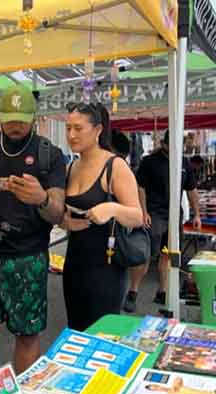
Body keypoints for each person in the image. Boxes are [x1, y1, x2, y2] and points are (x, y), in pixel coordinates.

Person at [0, 85, 66, 380]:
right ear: (0, 116)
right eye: (10, 118)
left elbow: (58, 212)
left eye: (22, 118)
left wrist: (41, 198)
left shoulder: (50, 155)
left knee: (27, 336)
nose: (15, 124)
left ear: (34, 117)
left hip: (29, 256)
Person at [61, 103, 143, 331]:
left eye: (78, 128)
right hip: (74, 265)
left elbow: (137, 216)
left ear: (98, 130)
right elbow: (63, 214)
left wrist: (111, 209)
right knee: (76, 332)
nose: (71, 135)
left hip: (106, 267)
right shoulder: (71, 167)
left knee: (103, 334)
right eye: (68, 128)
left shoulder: (115, 166)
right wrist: (64, 221)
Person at [123, 130, 202, 311]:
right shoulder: (150, 162)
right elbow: (140, 187)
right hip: (154, 213)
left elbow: (192, 190)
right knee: (146, 253)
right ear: (164, 144)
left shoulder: (183, 163)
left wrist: (197, 214)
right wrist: (143, 211)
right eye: (171, 145)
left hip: (175, 215)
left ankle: (162, 291)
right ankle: (133, 291)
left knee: (169, 253)